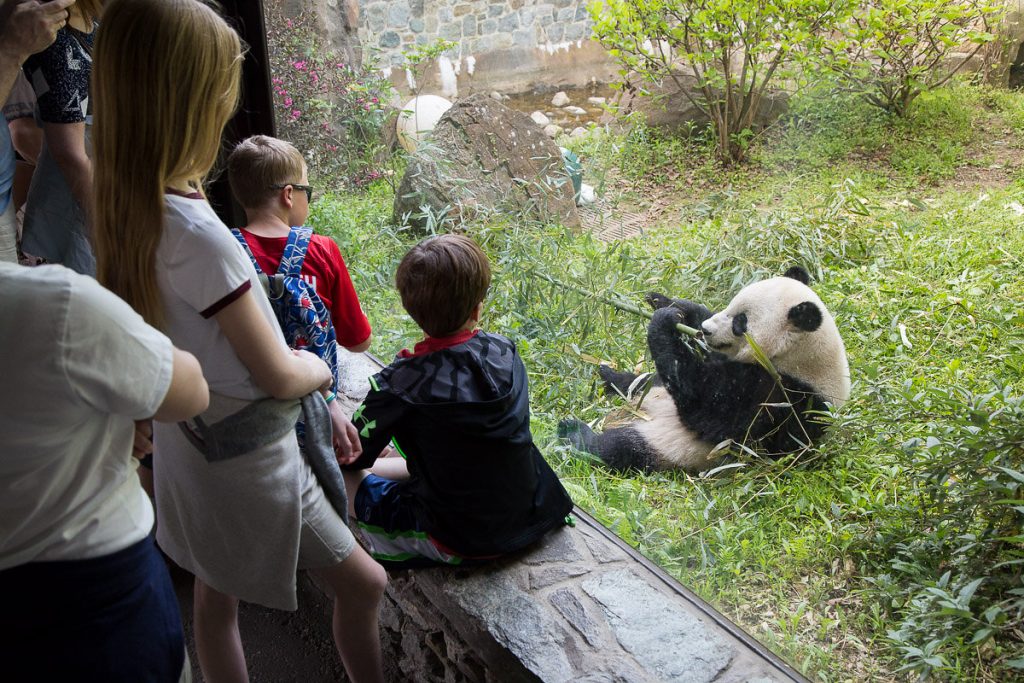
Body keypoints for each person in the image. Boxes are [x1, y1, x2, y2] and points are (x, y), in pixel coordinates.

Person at [91, 2, 386, 682]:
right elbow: (280, 374)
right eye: (222, 92)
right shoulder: (202, 237)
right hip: (248, 455)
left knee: (214, 598)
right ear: (191, 103)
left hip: (186, 444)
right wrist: (319, 368)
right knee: (364, 583)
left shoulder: (122, 199)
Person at [343, 234, 575, 568]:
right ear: (477, 307)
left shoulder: (399, 384)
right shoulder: (505, 352)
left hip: (461, 536)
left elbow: (351, 457)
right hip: (535, 510)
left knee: (341, 477)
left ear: (410, 308)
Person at [226, 134, 371, 461]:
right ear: (289, 195)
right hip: (314, 416)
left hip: (247, 414)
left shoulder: (226, 250)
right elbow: (359, 341)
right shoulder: (322, 250)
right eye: (308, 190)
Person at [20, 0, 103, 273]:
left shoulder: (93, 23)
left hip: (97, 182)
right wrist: (109, 227)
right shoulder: (55, 40)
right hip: (80, 194)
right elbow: (70, 155)